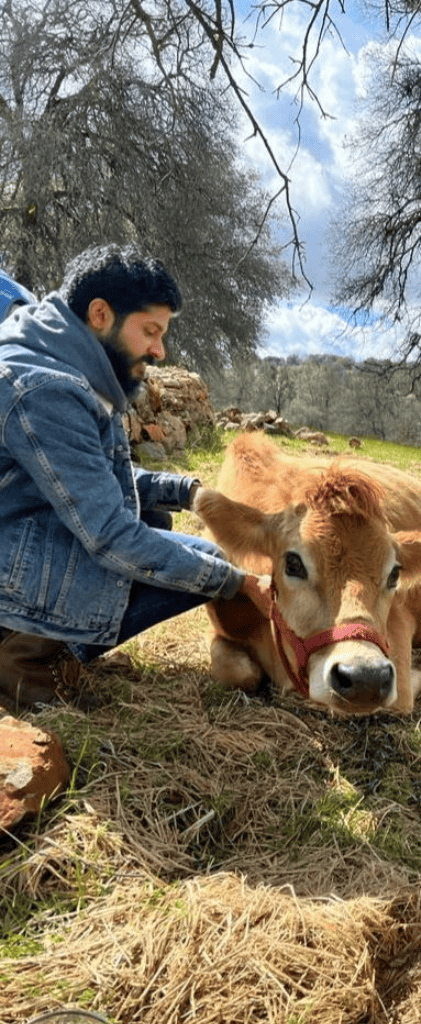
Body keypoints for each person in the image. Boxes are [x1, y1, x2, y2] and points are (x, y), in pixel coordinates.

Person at [0, 243, 262, 713]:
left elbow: (91, 473)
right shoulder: (46, 389)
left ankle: (40, 634)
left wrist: (186, 490)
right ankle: (20, 659)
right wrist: (232, 581)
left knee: (156, 516)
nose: (159, 350)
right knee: (203, 561)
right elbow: (109, 535)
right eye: (150, 331)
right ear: (101, 313)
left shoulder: (61, 355)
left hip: (18, 533)